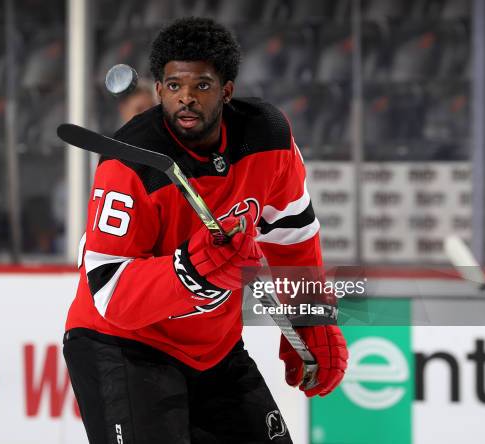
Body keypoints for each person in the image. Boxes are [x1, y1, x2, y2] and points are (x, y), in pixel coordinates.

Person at [63, 17, 348, 444]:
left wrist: (309, 317)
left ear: (226, 91)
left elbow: (292, 236)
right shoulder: (129, 164)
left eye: (202, 86)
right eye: (174, 87)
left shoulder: (268, 138)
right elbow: (109, 293)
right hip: (123, 346)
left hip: (214, 349)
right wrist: (189, 270)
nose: (187, 100)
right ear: (158, 91)